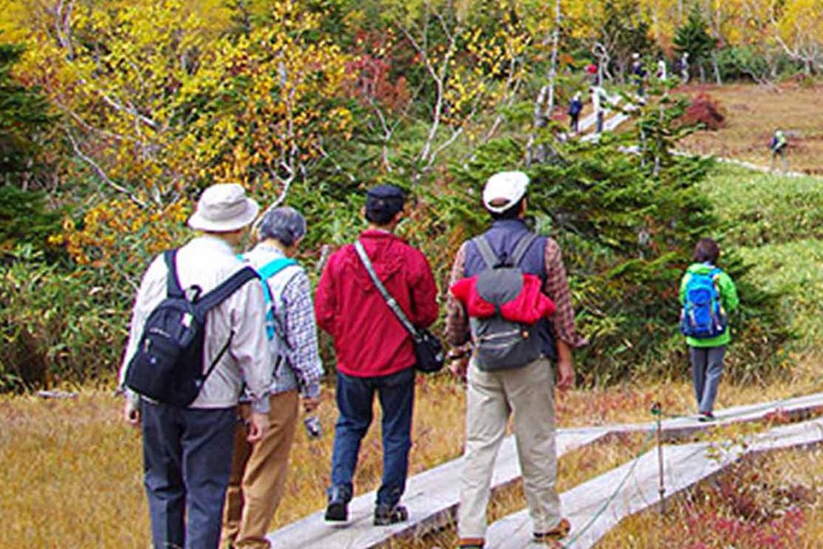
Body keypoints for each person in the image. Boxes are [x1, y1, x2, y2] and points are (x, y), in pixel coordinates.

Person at [120, 183, 277, 549]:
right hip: (213, 401)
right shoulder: (243, 278)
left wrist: (132, 393)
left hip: (158, 393)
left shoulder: (163, 264)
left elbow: (141, 329)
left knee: (162, 486)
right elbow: (252, 351)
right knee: (206, 493)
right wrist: (260, 405)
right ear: (240, 227)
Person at [447, 169, 578, 546]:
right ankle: (546, 520)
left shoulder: (469, 251)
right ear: (524, 205)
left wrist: (458, 351)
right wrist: (565, 358)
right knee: (536, 442)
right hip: (532, 359)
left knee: (479, 447)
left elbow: (456, 307)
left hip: (484, 361)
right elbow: (560, 310)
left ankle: (470, 529)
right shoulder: (544, 249)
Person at [314, 182, 437, 527]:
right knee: (396, 431)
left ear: (364, 213)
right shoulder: (412, 260)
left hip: (353, 361)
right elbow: (427, 313)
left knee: (349, 425)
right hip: (397, 359)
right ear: (400, 216)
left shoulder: (340, 260)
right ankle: (387, 504)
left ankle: (339, 490)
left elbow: (323, 312)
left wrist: (348, 334)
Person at [221, 205, 323, 549]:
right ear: (296, 240)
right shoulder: (291, 275)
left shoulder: (233, 267)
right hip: (276, 386)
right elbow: (302, 338)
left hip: (229, 385)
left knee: (231, 471)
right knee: (265, 468)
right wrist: (311, 387)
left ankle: (228, 535)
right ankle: (250, 541)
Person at [679, 239, 740, 421]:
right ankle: (706, 409)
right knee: (713, 370)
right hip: (717, 332)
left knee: (698, 371)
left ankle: (701, 406)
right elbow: (732, 301)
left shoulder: (688, 277)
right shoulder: (720, 277)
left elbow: (683, 298)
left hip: (694, 333)